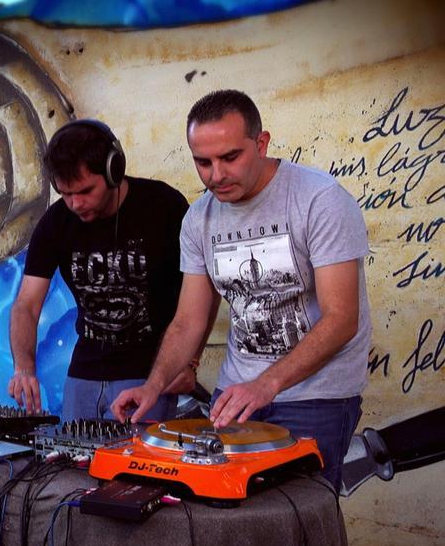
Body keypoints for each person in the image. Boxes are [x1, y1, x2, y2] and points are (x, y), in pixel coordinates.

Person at [112, 89, 370, 490]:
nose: (216, 175)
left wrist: (266, 384)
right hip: (236, 397)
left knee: (298, 524)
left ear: (261, 142)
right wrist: (154, 385)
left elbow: (341, 319)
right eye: (203, 162)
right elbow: (188, 321)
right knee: (224, 520)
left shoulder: (320, 200)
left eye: (230, 157)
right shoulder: (199, 219)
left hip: (317, 399)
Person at [8, 119, 195, 421]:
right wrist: (24, 368)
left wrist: (189, 361)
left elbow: (200, 295)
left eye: (84, 191)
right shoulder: (55, 222)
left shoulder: (164, 207)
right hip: (83, 374)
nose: (75, 204)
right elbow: (26, 306)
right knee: (70, 466)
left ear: (113, 170)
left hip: (150, 376)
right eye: (65, 193)